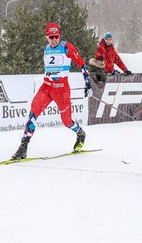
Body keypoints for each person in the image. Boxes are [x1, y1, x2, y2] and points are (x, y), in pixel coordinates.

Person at [12, 23, 91, 159]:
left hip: (61, 90)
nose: (54, 39)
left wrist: (88, 84)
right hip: (46, 87)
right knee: (33, 113)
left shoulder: (67, 47)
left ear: (59, 36)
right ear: (46, 37)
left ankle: (80, 133)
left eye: (56, 36)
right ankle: (23, 146)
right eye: (51, 37)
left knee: (67, 121)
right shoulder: (46, 48)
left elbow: (81, 64)